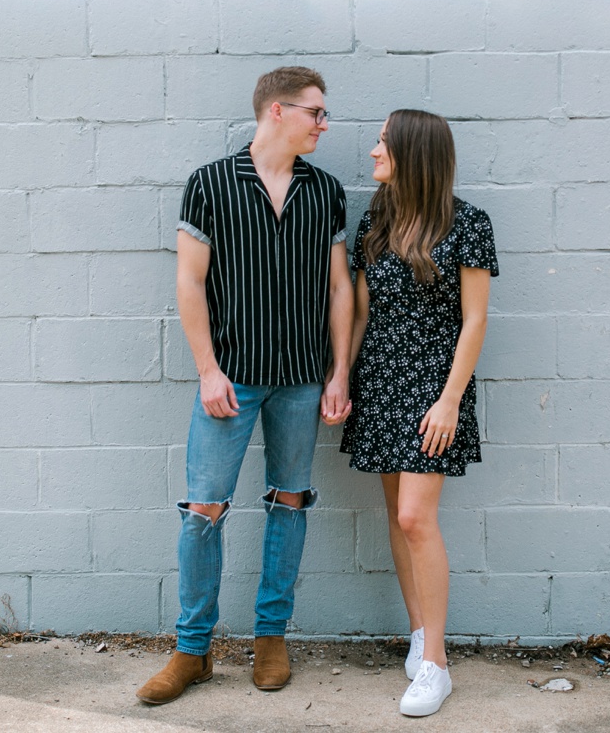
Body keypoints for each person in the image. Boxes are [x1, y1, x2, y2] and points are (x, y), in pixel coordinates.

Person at [136, 66, 352, 705]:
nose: (324, 123)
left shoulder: (327, 190)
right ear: (278, 112)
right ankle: (192, 650)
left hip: (300, 380)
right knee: (205, 508)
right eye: (316, 112)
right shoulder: (209, 184)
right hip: (230, 377)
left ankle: (270, 638)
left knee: (290, 501)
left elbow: (340, 287)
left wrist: (339, 371)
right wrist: (207, 368)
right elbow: (189, 282)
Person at [339, 109, 498, 718]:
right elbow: (358, 314)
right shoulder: (375, 221)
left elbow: (475, 320)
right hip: (379, 380)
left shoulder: (469, 224)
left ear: (412, 152)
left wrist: (451, 398)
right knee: (394, 512)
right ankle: (417, 632)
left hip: (434, 385)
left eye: (382, 142)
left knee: (415, 517)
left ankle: (436, 663)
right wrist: (340, 379)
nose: (374, 151)